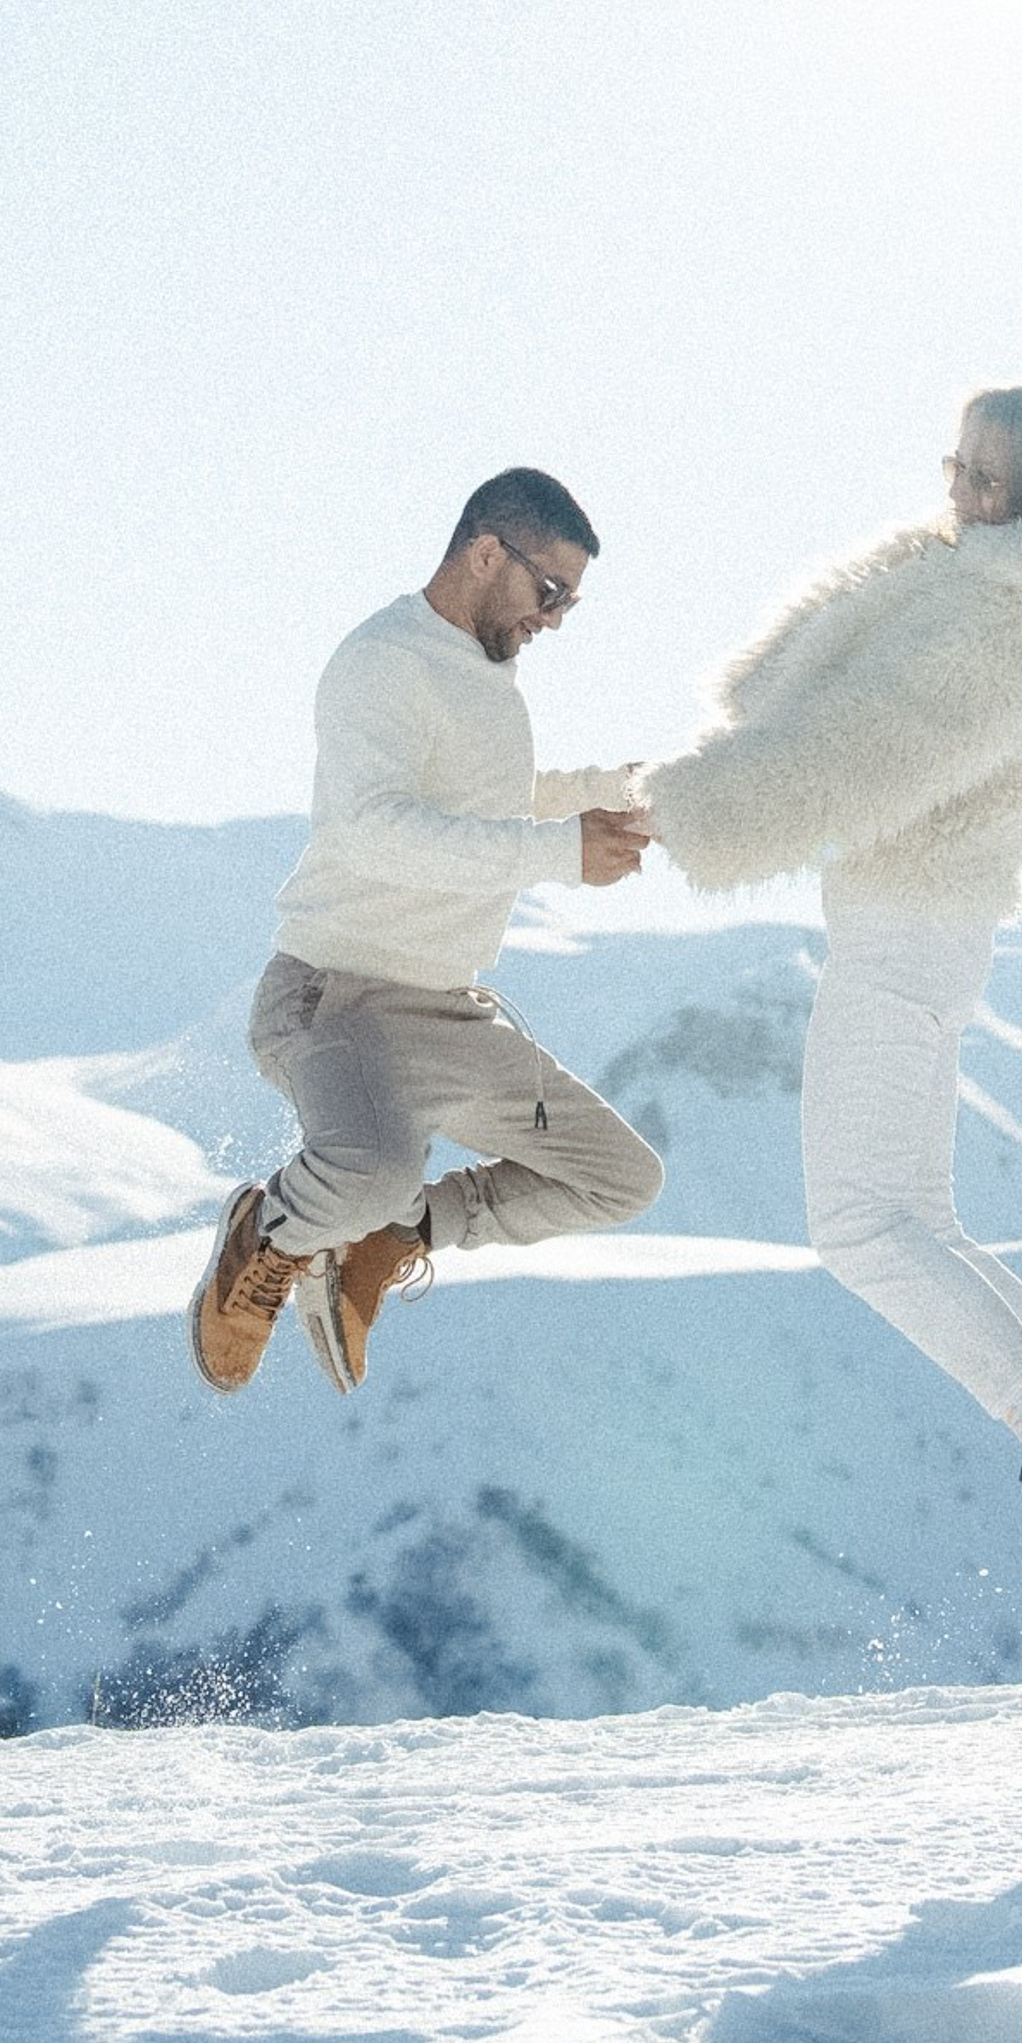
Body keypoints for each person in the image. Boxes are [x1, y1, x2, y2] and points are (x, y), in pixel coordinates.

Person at [637, 384, 1022, 1607]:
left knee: (864, 1228)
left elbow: (869, 747)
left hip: (904, 927)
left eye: (988, 479)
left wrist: (688, 809)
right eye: (957, 464)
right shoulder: (1020, 596)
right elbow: (834, 707)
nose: (959, 491)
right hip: (923, 929)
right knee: (915, 1221)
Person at [191, 467, 664, 1401]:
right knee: (364, 1171)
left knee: (620, 1178)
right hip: (339, 998)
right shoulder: (383, 662)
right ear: (487, 553)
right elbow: (377, 832)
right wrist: (562, 852)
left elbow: (485, 806)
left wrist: (606, 793)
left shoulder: (491, 679)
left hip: (449, 1014)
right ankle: (268, 1233)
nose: (557, 618)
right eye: (551, 591)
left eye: (570, 601)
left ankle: (397, 1234)